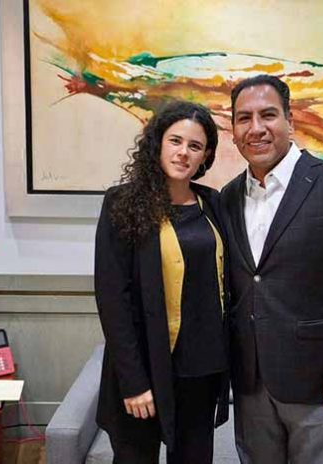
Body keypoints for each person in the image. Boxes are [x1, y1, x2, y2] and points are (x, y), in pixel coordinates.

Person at [221, 75, 323, 464]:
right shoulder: (228, 196)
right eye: (244, 118)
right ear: (233, 130)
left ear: (290, 121)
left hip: (317, 379)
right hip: (249, 379)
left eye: (268, 115)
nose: (256, 128)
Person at [94, 101, 229, 464]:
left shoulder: (214, 204)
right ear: (157, 143)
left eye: (195, 146)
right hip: (145, 368)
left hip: (201, 370)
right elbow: (113, 300)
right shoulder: (122, 203)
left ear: (205, 156)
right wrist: (134, 382)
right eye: (175, 141)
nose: (184, 152)